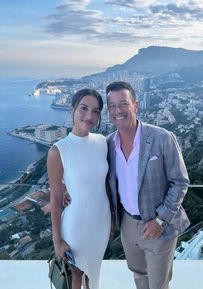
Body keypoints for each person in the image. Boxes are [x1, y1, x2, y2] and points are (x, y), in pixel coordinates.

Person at [106, 81, 190, 289]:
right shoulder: (107, 144)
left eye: (123, 103)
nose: (118, 110)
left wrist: (160, 221)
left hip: (158, 225)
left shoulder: (161, 137)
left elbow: (180, 181)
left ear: (135, 105)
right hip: (127, 224)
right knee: (139, 276)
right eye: (112, 106)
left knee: (158, 285)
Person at [47, 89, 111, 289]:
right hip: (76, 227)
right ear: (72, 109)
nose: (89, 116)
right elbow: (56, 198)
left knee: (94, 274)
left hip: (102, 223)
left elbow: (105, 184)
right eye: (83, 108)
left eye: (96, 111)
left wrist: (113, 221)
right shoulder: (58, 150)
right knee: (76, 277)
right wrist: (57, 241)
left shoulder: (102, 142)